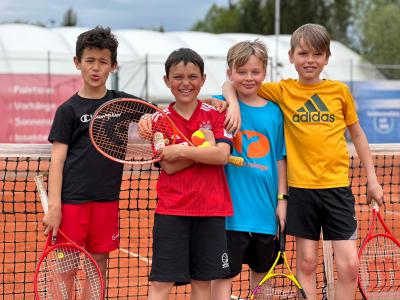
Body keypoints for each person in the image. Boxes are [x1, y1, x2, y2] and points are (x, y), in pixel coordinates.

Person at [221, 24, 383, 300]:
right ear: (292, 56)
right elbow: (231, 83)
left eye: (317, 54)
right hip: (300, 191)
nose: (310, 60)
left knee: (350, 266)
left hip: (337, 190)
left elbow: (357, 134)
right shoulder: (282, 91)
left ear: (327, 58)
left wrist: (373, 178)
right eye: (303, 53)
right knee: (306, 263)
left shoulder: (339, 92)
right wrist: (233, 104)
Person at [43, 26, 141, 297]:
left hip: (106, 201)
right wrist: (54, 207)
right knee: (67, 268)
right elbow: (57, 161)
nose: (96, 68)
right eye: (89, 60)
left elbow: (159, 116)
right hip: (72, 203)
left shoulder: (121, 103)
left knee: (98, 266)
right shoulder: (68, 111)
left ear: (113, 65)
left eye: (103, 61)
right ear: (77, 63)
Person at [146, 48, 234, 300]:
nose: (186, 83)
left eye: (193, 77)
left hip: (211, 211)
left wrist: (183, 150)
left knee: (202, 282)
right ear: (166, 81)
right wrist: (205, 148)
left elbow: (222, 156)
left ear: (203, 79)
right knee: (161, 283)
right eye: (178, 77)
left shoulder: (216, 113)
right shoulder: (159, 120)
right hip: (172, 212)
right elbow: (169, 166)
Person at [209, 40, 287, 299]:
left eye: (255, 72)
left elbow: (279, 159)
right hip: (228, 214)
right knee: (222, 277)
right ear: (230, 73)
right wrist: (231, 102)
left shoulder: (275, 113)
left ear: (264, 73)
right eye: (241, 72)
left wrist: (282, 200)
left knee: (261, 276)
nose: (249, 77)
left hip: (265, 212)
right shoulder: (218, 106)